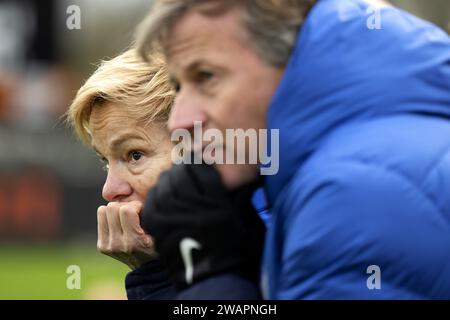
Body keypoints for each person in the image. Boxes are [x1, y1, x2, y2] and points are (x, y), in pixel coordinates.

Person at [137, 0, 450, 299]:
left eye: (206, 76)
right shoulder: (381, 148)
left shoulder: (350, 194)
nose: (179, 121)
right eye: (179, 87)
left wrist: (209, 275)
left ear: (291, 60)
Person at [66, 48, 270, 299]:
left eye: (134, 155)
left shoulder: (278, 243)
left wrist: (156, 275)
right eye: (106, 161)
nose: (109, 190)